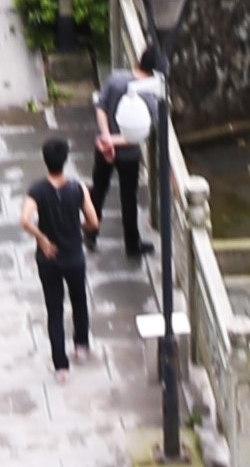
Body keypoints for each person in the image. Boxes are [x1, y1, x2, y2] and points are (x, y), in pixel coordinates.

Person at [20, 132, 96, 373]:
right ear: (65, 160)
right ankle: (81, 346)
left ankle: (61, 366)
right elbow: (93, 222)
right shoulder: (78, 189)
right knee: (79, 300)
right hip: (73, 255)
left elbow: (24, 220)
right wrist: (78, 227)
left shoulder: (37, 190)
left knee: (54, 309)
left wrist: (42, 238)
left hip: (49, 259)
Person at [91, 53, 154, 264]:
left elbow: (101, 107)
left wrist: (106, 138)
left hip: (103, 146)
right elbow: (140, 133)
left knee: (98, 189)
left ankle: (90, 232)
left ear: (138, 61)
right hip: (128, 155)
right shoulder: (149, 96)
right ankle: (132, 244)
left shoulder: (116, 78)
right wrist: (115, 142)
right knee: (129, 199)